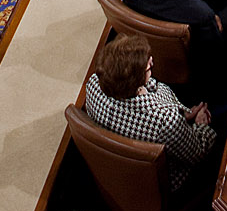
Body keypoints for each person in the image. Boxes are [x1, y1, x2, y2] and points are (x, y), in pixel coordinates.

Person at [84, 34, 218, 191]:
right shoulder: (165, 121)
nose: (152, 61)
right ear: (135, 81)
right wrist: (200, 124)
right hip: (164, 182)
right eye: (147, 67)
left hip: (121, 170)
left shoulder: (94, 83)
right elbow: (196, 152)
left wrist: (182, 113)